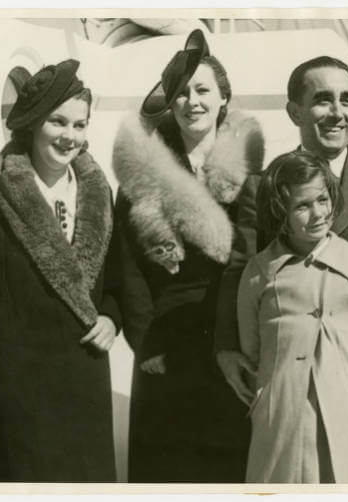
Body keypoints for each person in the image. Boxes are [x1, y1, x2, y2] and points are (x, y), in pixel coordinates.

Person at [215, 56, 348, 441]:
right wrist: (227, 347)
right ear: (295, 111)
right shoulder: (261, 186)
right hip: (288, 376)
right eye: (324, 100)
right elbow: (240, 270)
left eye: (347, 100)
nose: (338, 113)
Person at [0, 59, 120, 481]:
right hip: (19, 383)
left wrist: (112, 315)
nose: (70, 136)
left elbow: (118, 275)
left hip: (84, 380)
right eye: (58, 122)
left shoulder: (98, 191)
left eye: (79, 125)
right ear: (34, 122)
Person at [112, 30, 264, 482]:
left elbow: (258, 256)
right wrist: (147, 340)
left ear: (223, 99)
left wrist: (246, 339)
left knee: (230, 465)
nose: (191, 101)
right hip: (167, 338)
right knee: (169, 470)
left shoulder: (252, 172)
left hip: (232, 334)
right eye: (181, 92)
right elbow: (127, 264)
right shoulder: (142, 175)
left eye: (202, 90)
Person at [238, 150, 348, 483]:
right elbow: (251, 345)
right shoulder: (259, 272)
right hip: (283, 412)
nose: (318, 213)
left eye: (322, 200)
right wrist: (268, 394)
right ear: (281, 212)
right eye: (302, 206)